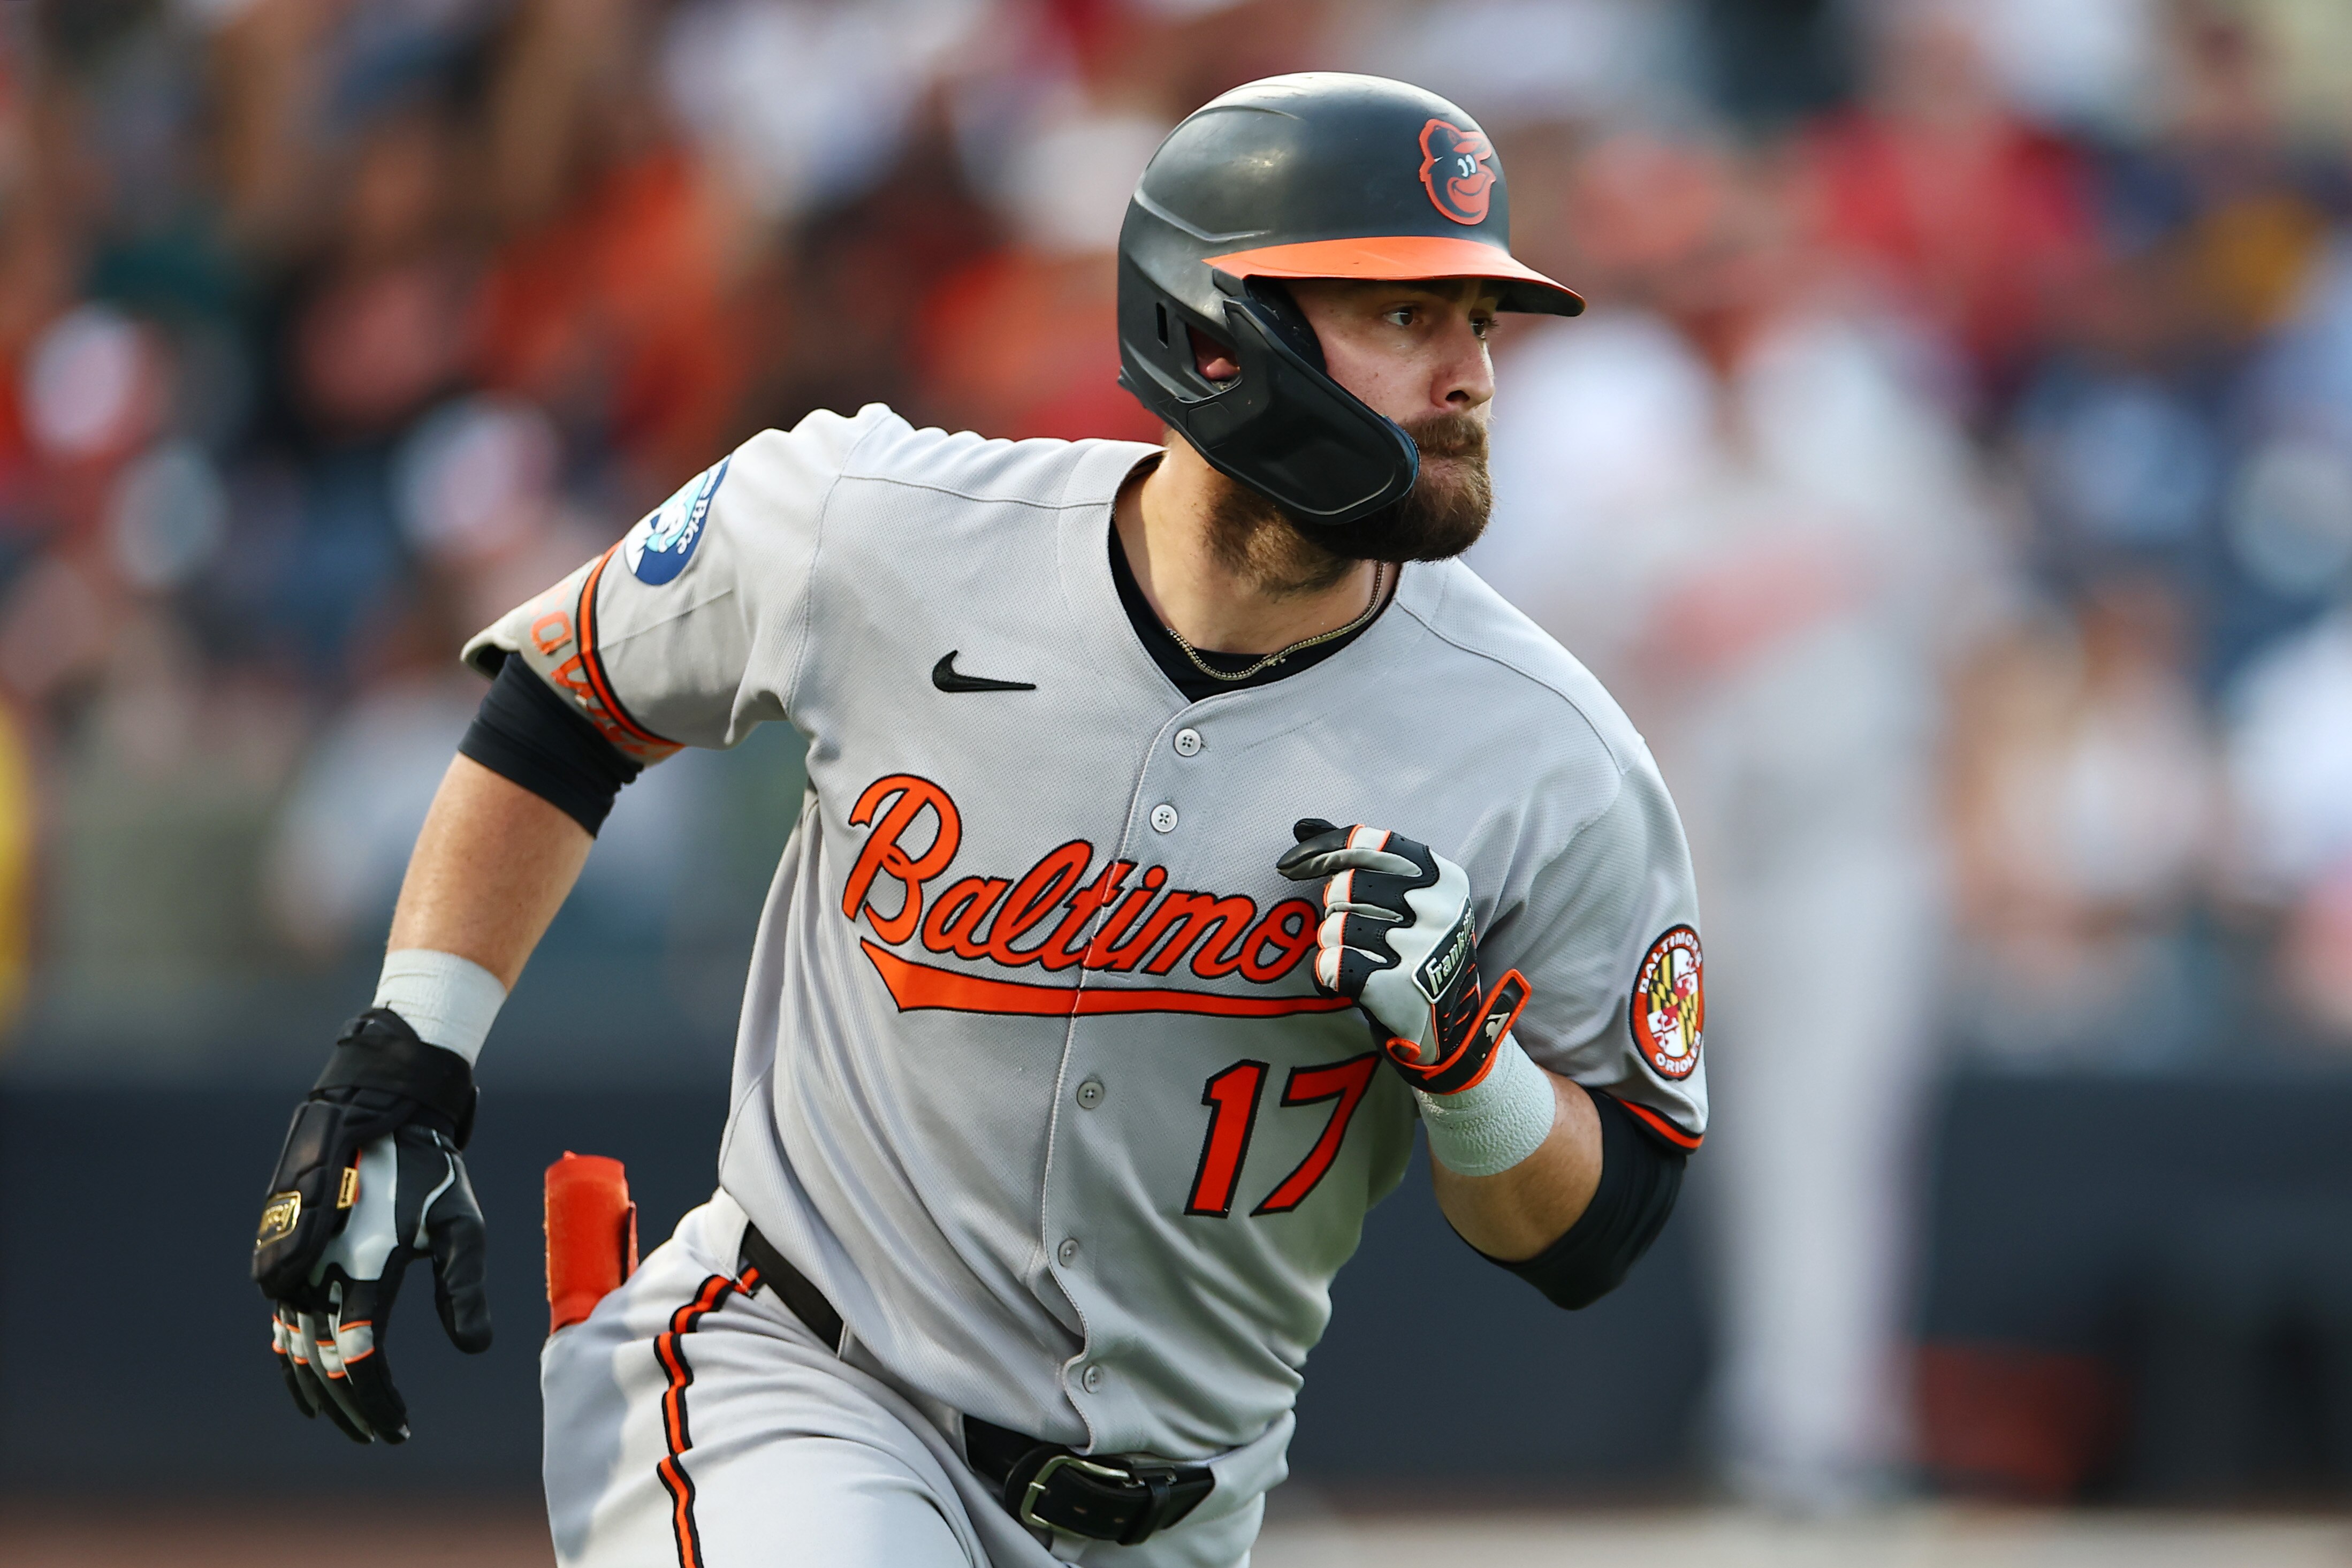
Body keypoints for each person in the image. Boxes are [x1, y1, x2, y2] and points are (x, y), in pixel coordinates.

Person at [249, 74, 1708, 1567]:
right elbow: (566, 703)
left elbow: (1600, 1227)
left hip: (1176, 1513)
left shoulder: (1551, 750)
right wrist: (407, 1057)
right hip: (794, 1386)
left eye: (1480, 319)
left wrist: (1473, 1065)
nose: (1469, 371)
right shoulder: (879, 528)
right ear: (1213, 329)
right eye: (1404, 316)